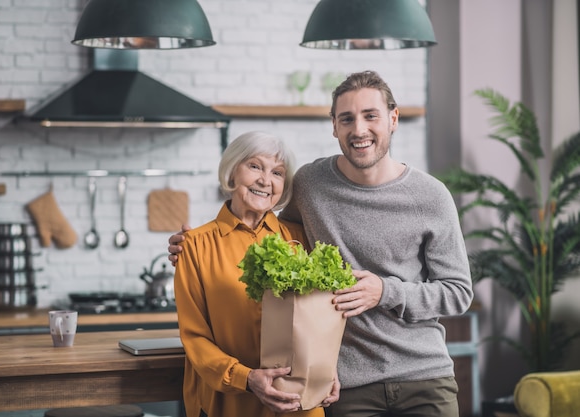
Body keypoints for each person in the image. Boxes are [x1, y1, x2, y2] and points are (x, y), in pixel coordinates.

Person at [169, 71, 473, 417]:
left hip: (425, 378)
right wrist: (195, 244)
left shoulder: (431, 196)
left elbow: (458, 292)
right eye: (347, 118)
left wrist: (385, 291)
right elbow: (257, 219)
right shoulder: (311, 185)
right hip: (347, 385)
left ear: (393, 118)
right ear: (334, 126)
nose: (358, 129)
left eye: (370, 115)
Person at [173, 130, 339, 417]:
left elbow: (321, 320)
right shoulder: (195, 245)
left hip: (298, 403)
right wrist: (245, 378)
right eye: (254, 166)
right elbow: (194, 337)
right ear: (232, 172)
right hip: (231, 403)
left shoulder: (301, 240)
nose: (265, 180)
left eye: (277, 172)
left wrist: (326, 368)